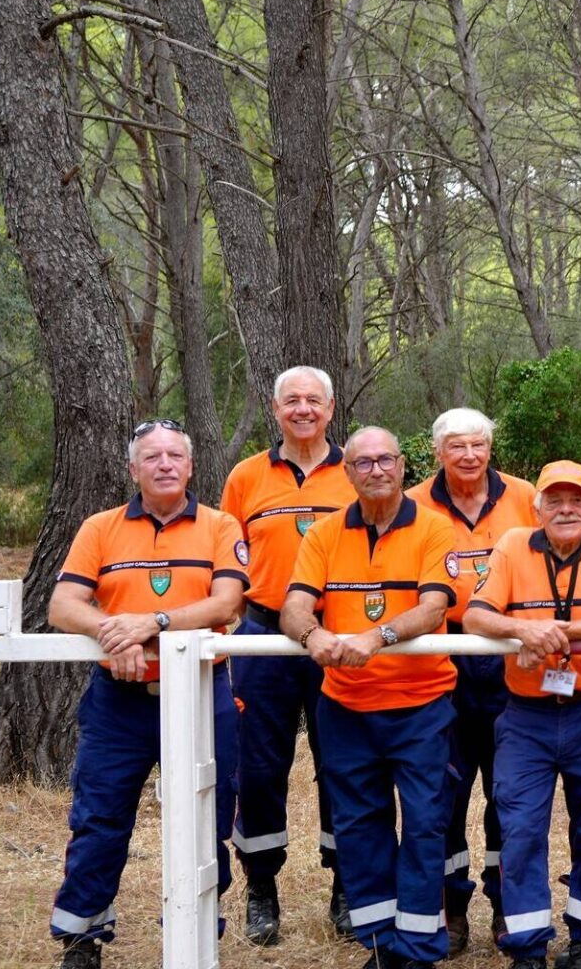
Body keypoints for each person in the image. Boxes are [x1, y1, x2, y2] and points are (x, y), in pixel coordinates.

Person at [47, 420, 248, 969]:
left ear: (190, 466)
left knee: (211, 816)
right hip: (119, 700)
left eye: (174, 456)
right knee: (99, 814)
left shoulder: (219, 524)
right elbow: (63, 606)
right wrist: (112, 632)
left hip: (203, 697)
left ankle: (195, 928)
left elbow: (226, 604)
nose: (164, 464)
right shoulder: (101, 527)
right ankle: (81, 938)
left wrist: (151, 624)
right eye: (152, 456)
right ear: (132, 469)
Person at [282, 426, 461, 969]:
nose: (376, 470)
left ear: (403, 465)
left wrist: (374, 637)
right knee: (360, 826)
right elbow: (294, 605)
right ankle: (382, 945)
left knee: (427, 824)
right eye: (363, 463)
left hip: (421, 705)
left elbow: (435, 608)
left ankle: (420, 947)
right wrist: (313, 636)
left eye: (385, 459)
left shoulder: (434, 528)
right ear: (348, 472)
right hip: (347, 707)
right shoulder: (325, 534)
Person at [465, 460, 581, 969]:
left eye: (576, 500)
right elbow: (477, 613)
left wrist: (553, 631)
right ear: (537, 506)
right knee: (519, 827)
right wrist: (524, 631)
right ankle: (527, 947)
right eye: (554, 500)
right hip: (525, 715)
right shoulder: (513, 545)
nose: (566, 509)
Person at [221, 365, 358, 943]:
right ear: (275, 410)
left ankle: (347, 886)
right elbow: (226, 556)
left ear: (331, 409)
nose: (303, 409)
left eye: (314, 401)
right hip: (262, 637)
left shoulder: (357, 470)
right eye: (291, 401)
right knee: (258, 768)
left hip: (337, 639)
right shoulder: (246, 476)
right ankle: (261, 886)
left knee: (344, 764)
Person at [406, 408, 538, 955]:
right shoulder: (412, 502)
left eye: (478, 444)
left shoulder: (525, 496)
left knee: (510, 792)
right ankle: (451, 908)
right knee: (447, 791)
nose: (468, 455)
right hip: (444, 654)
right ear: (436, 452)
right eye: (456, 445)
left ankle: (509, 905)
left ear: (490, 448)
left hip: (510, 653)